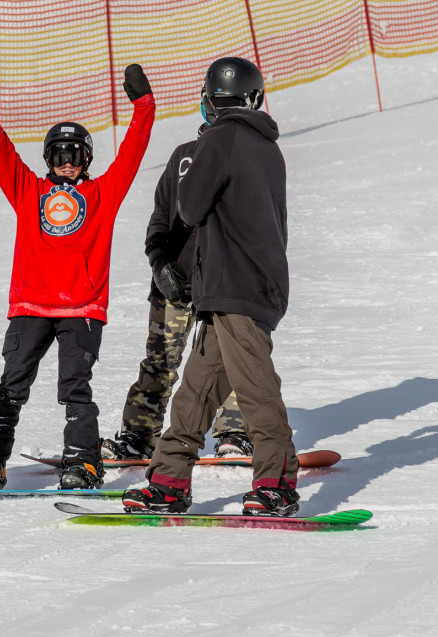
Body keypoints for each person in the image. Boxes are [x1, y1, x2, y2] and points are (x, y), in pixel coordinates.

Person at [0, 57, 155, 491]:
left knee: (75, 389)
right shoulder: (28, 191)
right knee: (11, 385)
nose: (67, 163)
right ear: (48, 158)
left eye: (75, 155)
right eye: (60, 154)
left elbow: (134, 150)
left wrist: (144, 105)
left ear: (87, 159)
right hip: (30, 305)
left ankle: (83, 464)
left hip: (82, 307)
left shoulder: (103, 193)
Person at [122, 57, 300, 517]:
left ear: (209, 100)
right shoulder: (268, 147)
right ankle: (168, 480)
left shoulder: (221, 137)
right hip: (245, 286)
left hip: (236, 286)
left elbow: (190, 206)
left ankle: (277, 481)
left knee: (255, 387)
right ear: (255, 97)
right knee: (195, 392)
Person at [101, 123, 250, 461]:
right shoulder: (183, 156)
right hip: (175, 282)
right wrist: (159, 261)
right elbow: (160, 217)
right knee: (160, 363)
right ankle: (138, 437)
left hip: (222, 284)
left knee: (229, 359)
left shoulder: (244, 157)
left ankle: (234, 434)